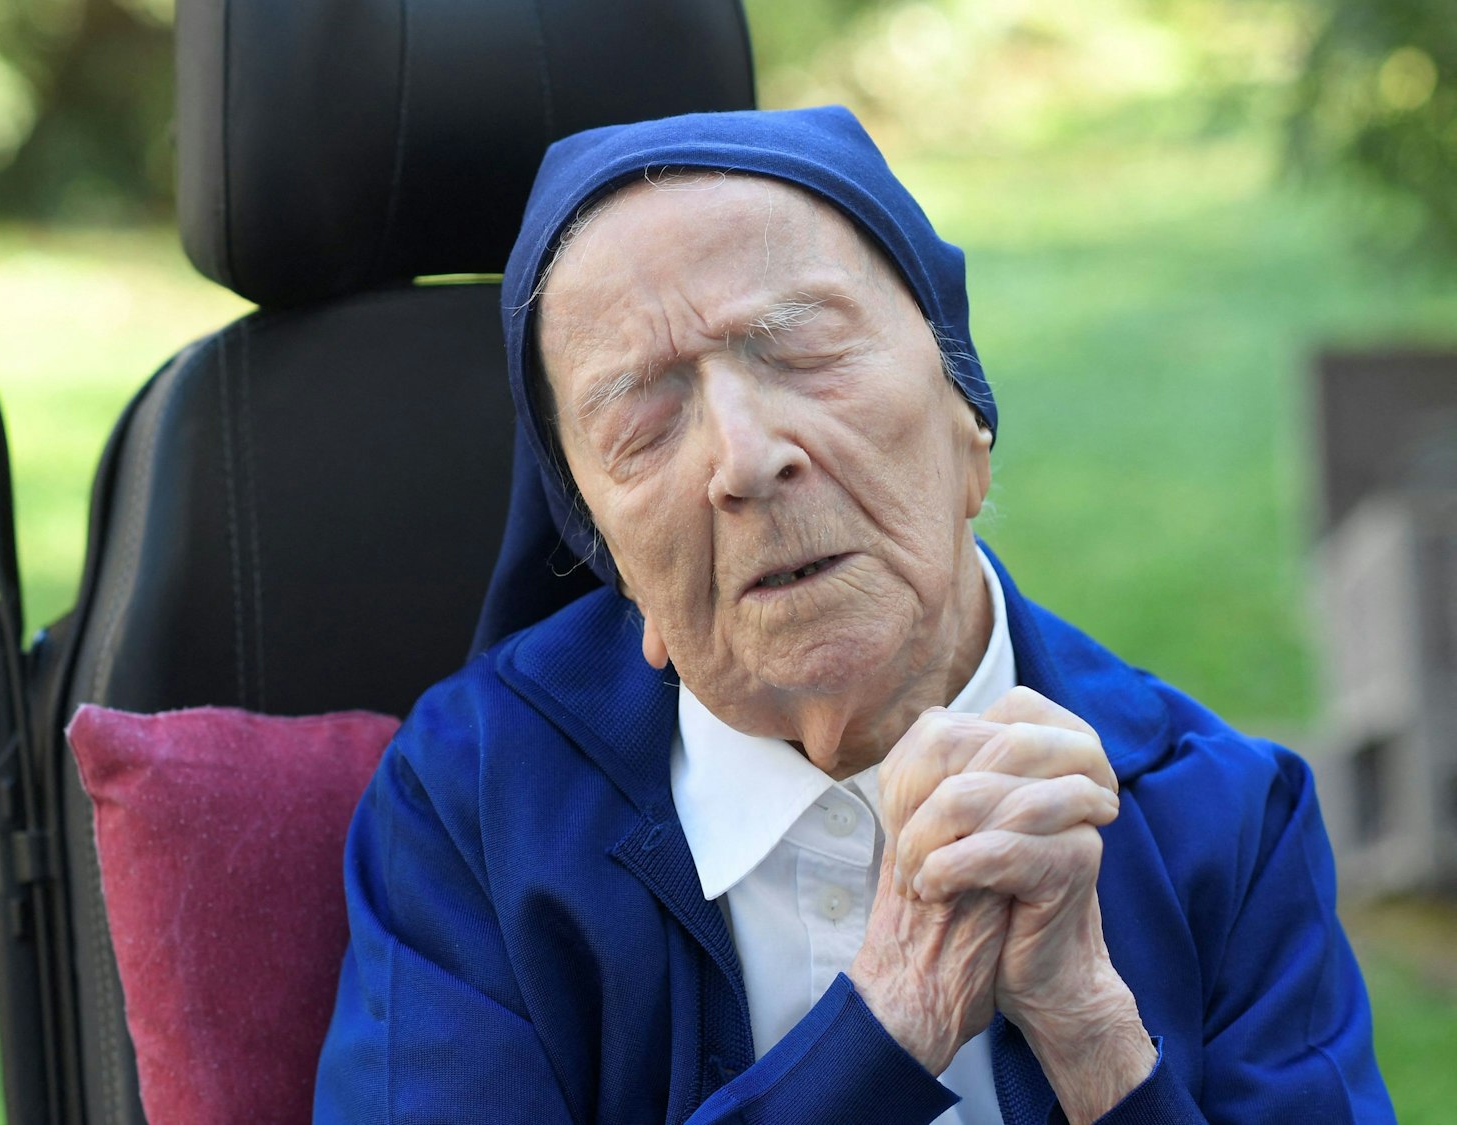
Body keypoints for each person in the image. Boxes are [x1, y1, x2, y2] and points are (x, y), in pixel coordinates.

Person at [313, 106, 1393, 1124]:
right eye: (644, 419)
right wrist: (891, 1018)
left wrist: (1095, 1040)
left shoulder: (1215, 814)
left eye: (801, 350)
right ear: (615, 567)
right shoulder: (475, 805)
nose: (743, 457)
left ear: (967, 418)